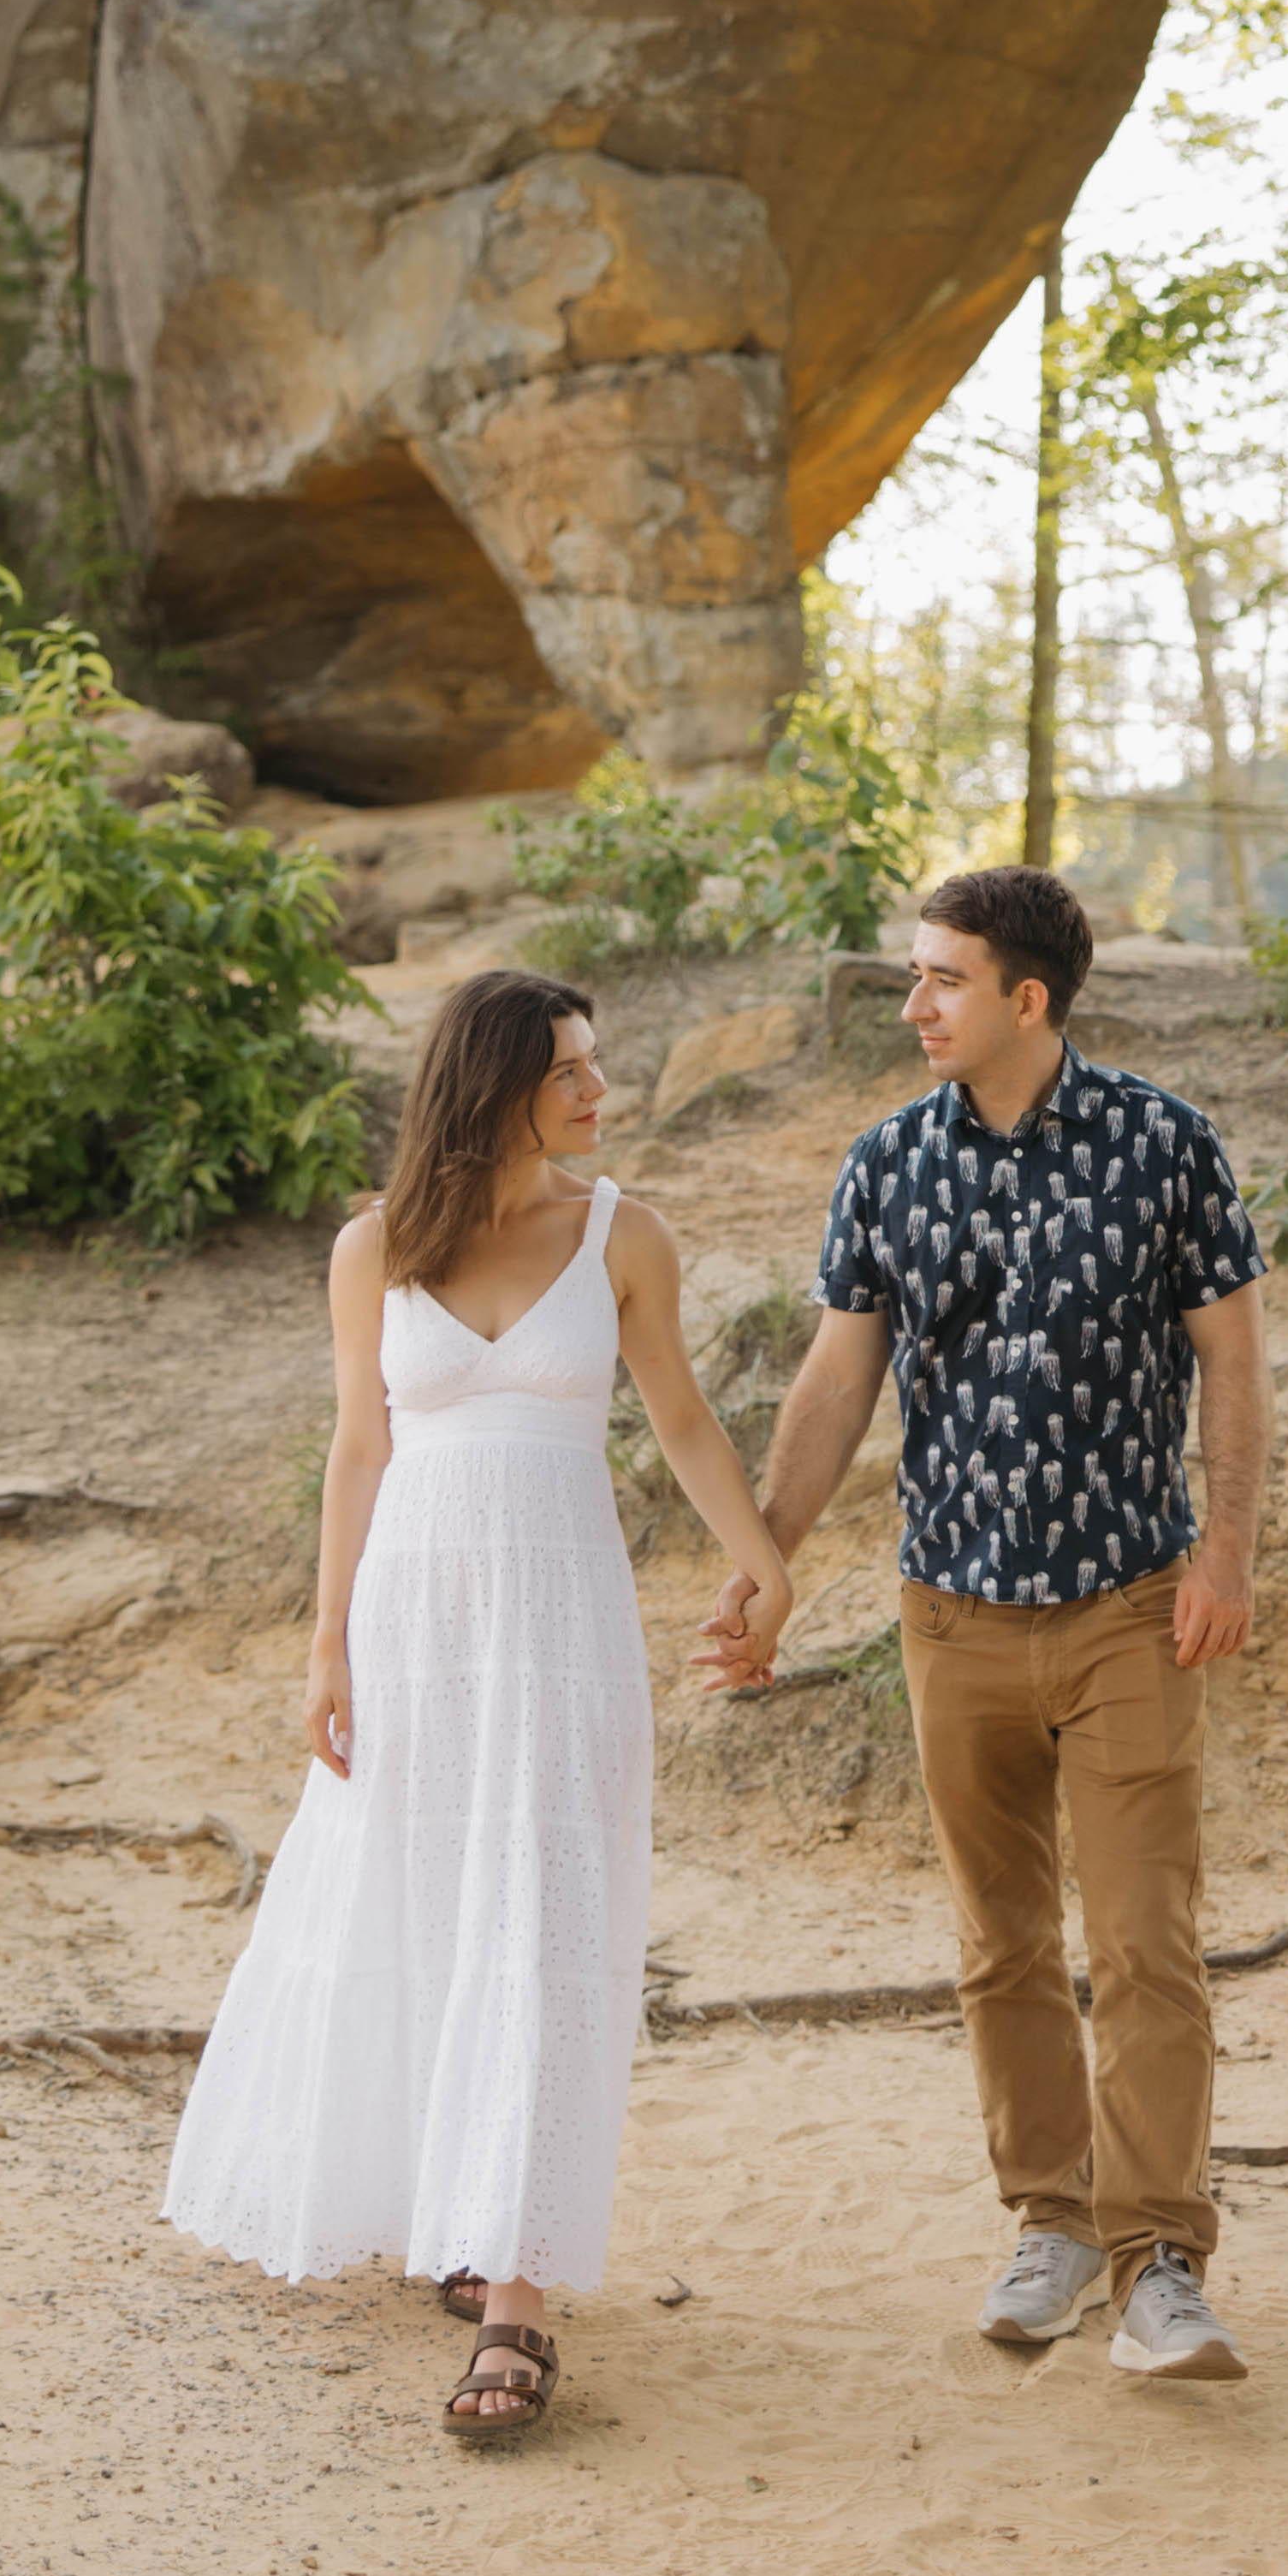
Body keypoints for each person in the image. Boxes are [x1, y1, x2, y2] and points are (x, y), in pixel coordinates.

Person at [165, 967, 793, 2442]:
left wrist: (765, 1564)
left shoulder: (624, 1235)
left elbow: (683, 1418)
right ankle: (456, 2212)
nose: (596, 1091)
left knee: (545, 1922)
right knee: (419, 1909)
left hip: (561, 1619)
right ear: (495, 1080)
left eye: (594, 1065)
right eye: (569, 1068)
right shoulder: (375, 1246)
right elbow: (354, 1451)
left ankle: (516, 2301)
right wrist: (328, 1644)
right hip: (413, 1617)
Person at [698, 863, 1270, 2380]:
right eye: (914, 976)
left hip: (1133, 1608)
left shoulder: (1165, 1145)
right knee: (1002, 1945)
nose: (914, 1005)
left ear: (1029, 996)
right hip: (952, 1618)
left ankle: (1160, 2265)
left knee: (1147, 1943)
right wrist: (767, 1564)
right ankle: (1055, 2220)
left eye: (942, 979)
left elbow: (1233, 1364)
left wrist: (1225, 1555)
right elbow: (836, 1383)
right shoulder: (886, 1165)